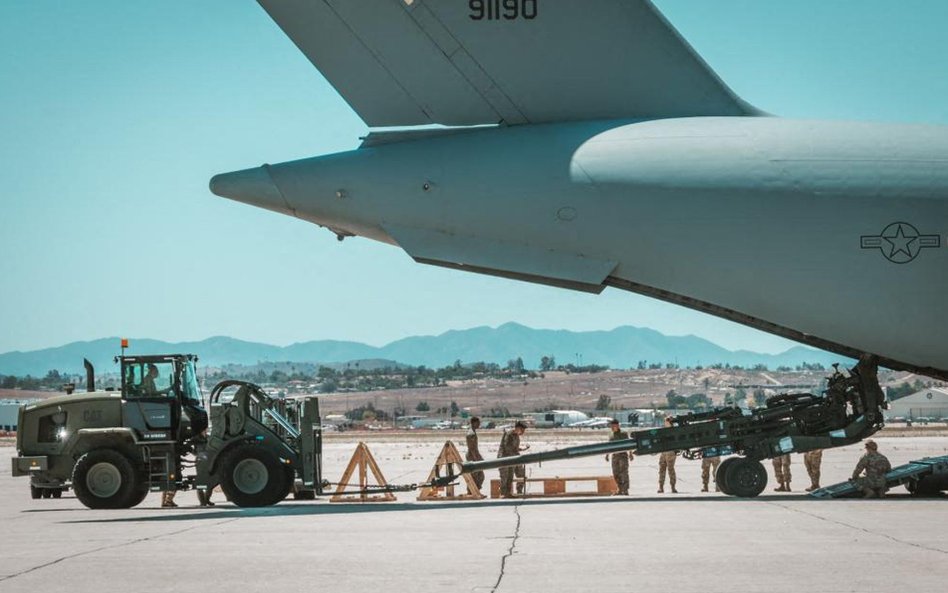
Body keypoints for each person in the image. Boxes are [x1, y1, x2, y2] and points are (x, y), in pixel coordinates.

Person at [498, 421, 528, 497]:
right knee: (505, 477)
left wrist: (523, 449)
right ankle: (503, 493)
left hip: (512, 459)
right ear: (517, 428)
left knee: (511, 476)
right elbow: (508, 448)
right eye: (522, 429)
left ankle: (512, 492)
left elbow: (515, 448)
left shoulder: (516, 436)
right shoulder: (509, 435)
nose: (523, 432)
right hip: (504, 459)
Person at [605, 419, 631, 495]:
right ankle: (619, 489)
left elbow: (628, 444)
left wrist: (630, 454)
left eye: (613, 426)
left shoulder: (624, 433)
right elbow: (609, 445)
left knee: (624, 473)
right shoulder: (611, 434)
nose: (612, 427)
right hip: (614, 456)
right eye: (611, 426)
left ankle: (625, 490)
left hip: (623, 455)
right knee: (615, 473)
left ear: (617, 425)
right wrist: (607, 455)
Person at [658, 417, 678, 493]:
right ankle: (661, 487)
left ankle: (673, 487)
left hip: (671, 452)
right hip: (663, 452)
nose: (665, 423)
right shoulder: (663, 431)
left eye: (667, 422)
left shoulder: (674, 431)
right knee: (661, 469)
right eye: (665, 422)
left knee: (671, 469)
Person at [465, 417, 485, 492]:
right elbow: (472, 448)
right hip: (472, 456)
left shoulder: (472, 432)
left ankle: (475, 491)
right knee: (475, 476)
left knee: (479, 475)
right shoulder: (471, 434)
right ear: (474, 423)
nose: (479, 424)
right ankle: (471, 491)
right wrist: (476, 459)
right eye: (478, 423)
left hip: (474, 455)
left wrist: (479, 457)